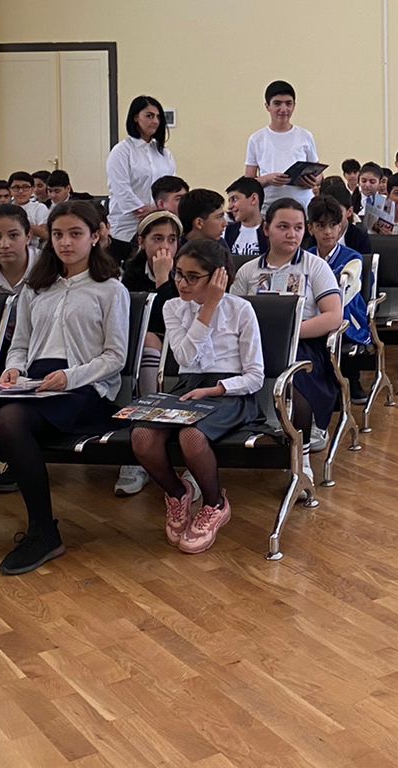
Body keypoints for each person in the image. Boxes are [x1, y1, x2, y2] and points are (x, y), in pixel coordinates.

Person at [0, 200, 129, 575]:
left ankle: (44, 530)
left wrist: (70, 377)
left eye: (75, 234)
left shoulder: (110, 289)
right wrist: (12, 369)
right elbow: (21, 345)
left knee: (9, 420)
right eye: (58, 234)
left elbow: (115, 357)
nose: (65, 242)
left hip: (84, 388)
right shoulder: (36, 288)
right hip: (34, 382)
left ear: (95, 237)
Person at [130, 239, 263, 554]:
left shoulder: (240, 309)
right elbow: (186, 356)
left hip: (230, 392)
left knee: (191, 436)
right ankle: (177, 493)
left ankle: (215, 503)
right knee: (142, 436)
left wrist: (216, 389)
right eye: (178, 273)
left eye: (192, 277)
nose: (181, 283)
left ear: (218, 277)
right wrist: (206, 310)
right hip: (189, 387)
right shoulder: (173, 307)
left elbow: (256, 376)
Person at [231, 199, 344, 450]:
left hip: (302, 345)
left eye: (298, 227)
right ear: (266, 228)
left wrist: (289, 335)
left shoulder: (315, 266)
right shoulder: (248, 271)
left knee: (297, 388)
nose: (291, 234)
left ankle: (301, 455)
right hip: (252, 346)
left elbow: (333, 316)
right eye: (283, 227)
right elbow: (231, 315)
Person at [114, 210, 185, 497]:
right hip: (138, 349)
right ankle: (144, 435)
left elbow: (174, 320)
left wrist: (164, 279)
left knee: (151, 339)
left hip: (182, 346)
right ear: (141, 241)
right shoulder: (128, 276)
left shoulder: (188, 271)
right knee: (146, 339)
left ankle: (153, 427)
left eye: (172, 239)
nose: (165, 246)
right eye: (157, 238)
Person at [309, 195, 374, 400]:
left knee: (339, 323)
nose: (328, 231)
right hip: (314, 312)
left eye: (333, 225)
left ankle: (350, 380)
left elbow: (346, 293)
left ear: (340, 227)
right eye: (321, 226)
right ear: (311, 228)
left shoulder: (353, 258)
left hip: (347, 311)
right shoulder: (305, 257)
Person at [106, 95, 177, 259]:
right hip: (127, 227)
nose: (155, 121)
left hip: (158, 224)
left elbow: (171, 186)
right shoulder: (121, 151)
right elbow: (121, 190)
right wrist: (148, 211)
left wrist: (160, 211)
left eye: (158, 117)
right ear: (136, 118)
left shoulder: (164, 153)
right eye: (149, 116)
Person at [245, 80, 321, 209]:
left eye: (288, 103)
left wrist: (312, 181)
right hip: (269, 207)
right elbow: (248, 182)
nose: (283, 109)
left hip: (303, 206)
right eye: (277, 103)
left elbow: (318, 174)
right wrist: (267, 179)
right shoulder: (256, 139)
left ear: (294, 106)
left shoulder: (305, 136)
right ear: (267, 106)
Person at [224, 177, 266, 257]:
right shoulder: (226, 232)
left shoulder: (270, 232)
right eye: (229, 201)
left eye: (234, 199)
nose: (229, 207)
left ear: (253, 199)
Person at [7, 172, 49, 239]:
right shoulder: (5, 208)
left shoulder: (39, 207)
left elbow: (45, 234)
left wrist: (19, 225)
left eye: (26, 187)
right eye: (16, 187)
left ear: (32, 189)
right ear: (10, 190)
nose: (21, 191)